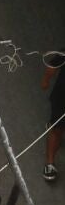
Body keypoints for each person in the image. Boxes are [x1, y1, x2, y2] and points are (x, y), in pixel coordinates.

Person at [42, 49, 62, 183]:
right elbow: (53, 65)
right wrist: (45, 80)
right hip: (62, 100)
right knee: (57, 130)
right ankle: (50, 163)